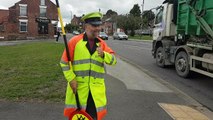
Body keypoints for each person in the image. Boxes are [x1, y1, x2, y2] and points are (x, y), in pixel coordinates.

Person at [60, 12, 117, 120]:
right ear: (86, 26)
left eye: (99, 25)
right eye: (94, 25)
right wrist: (71, 79)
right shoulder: (74, 42)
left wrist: (104, 55)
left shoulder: (101, 43)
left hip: (96, 93)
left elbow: (113, 61)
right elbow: (63, 62)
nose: (98, 28)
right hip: (79, 91)